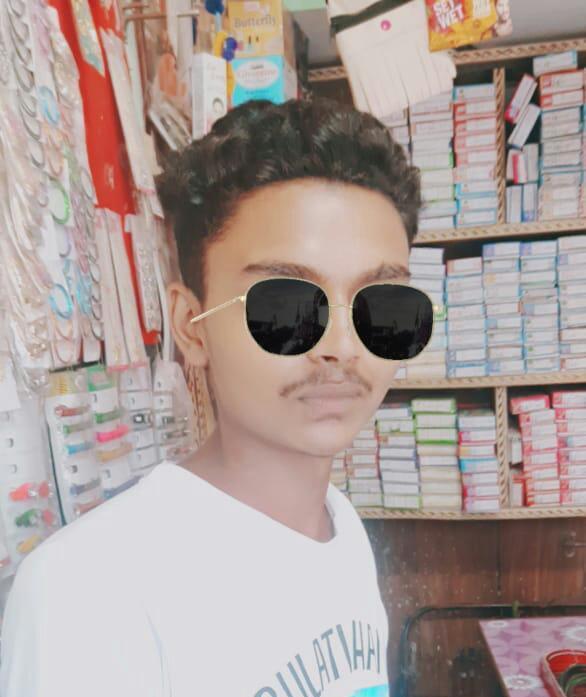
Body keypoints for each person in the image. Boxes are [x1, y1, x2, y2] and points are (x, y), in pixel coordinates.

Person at [0, 97, 430, 697]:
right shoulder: (89, 593)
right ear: (191, 325)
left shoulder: (342, 529)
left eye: (381, 306)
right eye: (284, 305)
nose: (342, 347)